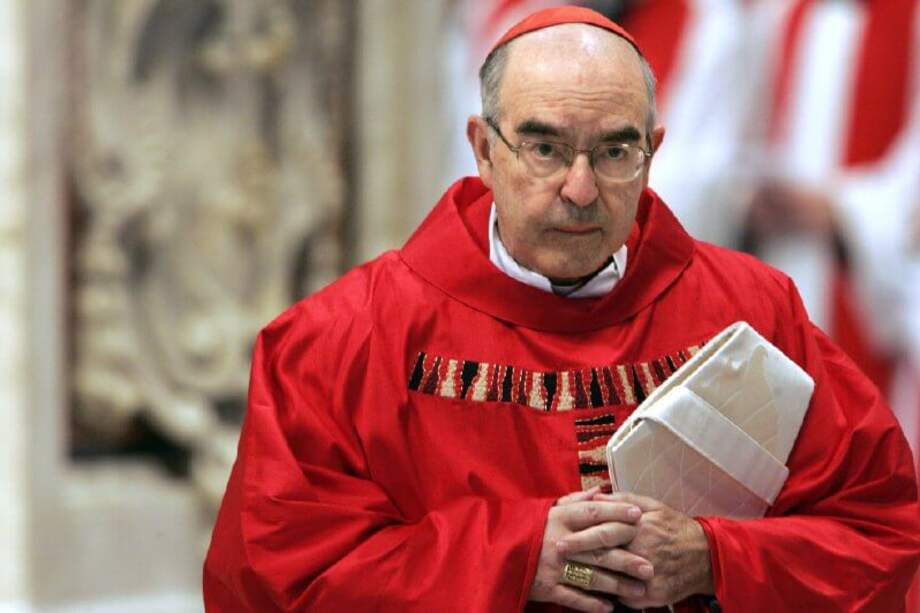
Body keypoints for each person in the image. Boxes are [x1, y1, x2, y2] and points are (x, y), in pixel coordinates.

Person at [203, 7, 920, 612]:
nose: (580, 190)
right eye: (544, 148)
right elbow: (269, 579)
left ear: (652, 152)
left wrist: (714, 556)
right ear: (484, 150)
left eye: (614, 152)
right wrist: (514, 559)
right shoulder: (343, 341)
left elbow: (881, 534)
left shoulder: (752, 313)